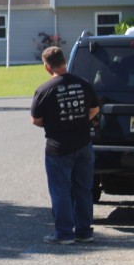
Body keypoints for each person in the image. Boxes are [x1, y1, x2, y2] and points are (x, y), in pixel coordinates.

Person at [30, 46, 100, 245]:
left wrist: (56, 122)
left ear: (47, 67)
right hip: (84, 145)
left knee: (60, 190)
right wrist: (80, 120)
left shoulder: (44, 90)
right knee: (83, 189)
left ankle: (64, 233)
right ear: (64, 62)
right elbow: (94, 109)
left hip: (58, 148)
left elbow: (36, 120)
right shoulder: (84, 84)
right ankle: (84, 231)